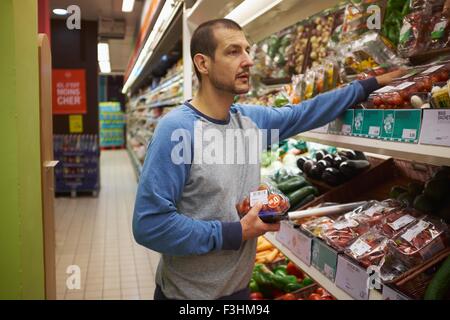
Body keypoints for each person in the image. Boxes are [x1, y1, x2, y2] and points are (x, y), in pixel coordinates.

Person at [132, 18, 406, 300]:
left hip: (239, 290)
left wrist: (369, 85)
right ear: (203, 64)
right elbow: (150, 225)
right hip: (188, 296)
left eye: (248, 50)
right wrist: (235, 232)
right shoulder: (177, 130)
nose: (248, 60)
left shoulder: (250, 121)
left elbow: (303, 113)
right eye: (233, 51)